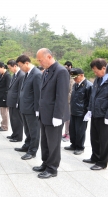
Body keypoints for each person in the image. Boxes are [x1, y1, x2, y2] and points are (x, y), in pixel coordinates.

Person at [33, 48, 70, 179]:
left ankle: (52, 168)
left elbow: (62, 96)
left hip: (54, 115)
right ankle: (45, 163)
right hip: (45, 113)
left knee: (53, 143)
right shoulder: (46, 72)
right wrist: (39, 109)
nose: (40, 62)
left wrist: (58, 116)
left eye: (40, 60)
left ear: (49, 57)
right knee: (45, 142)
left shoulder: (61, 72)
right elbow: (43, 94)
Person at [82, 58, 108, 170]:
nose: (95, 73)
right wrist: (90, 110)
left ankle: (102, 162)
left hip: (106, 116)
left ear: (104, 68)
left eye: (96, 70)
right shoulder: (97, 80)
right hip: (96, 114)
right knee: (94, 137)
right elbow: (93, 96)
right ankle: (95, 157)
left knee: (105, 140)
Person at [15, 55, 42, 160]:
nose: (20, 68)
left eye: (21, 66)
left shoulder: (36, 74)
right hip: (24, 107)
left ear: (26, 63)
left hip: (31, 109)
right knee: (27, 130)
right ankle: (27, 145)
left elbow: (38, 94)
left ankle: (32, 151)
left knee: (34, 131)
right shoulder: (27, 73)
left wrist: (37, 110)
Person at [64, 68, 92, 155]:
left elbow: (90, 100)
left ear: (81, 75)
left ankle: (80, 147)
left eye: (76, 77)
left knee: (80, 131)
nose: (74, 79)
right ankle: (73, 144)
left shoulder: (88, 86)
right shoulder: (75, 85)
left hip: (82, 113)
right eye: (73, 77)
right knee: (72, 129)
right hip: (73, 111)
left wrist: (88, 112)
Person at [6, 59, 25, 142]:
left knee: (17, 120)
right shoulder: (14, 75)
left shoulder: (21, 75)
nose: (10, 69)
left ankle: (18, 136)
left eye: (10, 68)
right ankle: (14, 134)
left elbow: (20, 91)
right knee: (12, 119)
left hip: (16, 102)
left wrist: (18, 102)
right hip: (11, 101)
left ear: (15, 66)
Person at [0, 62, 11, 131]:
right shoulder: (2, 75)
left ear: (2, 67)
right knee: (2, 112)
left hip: (4, 97)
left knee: (4, 113)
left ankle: (5, 126)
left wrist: (5, 97)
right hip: (0, 96)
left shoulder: (7, 75)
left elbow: (8, 87)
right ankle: (2, 124)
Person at [62, 61, 75, 142]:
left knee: (68, 119)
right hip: (65, 101)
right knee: (66, 119)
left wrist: (66, 100)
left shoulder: (72, 78)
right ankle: (66, 132)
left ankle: (69, 134)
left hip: (69, 102)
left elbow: (71, 91)